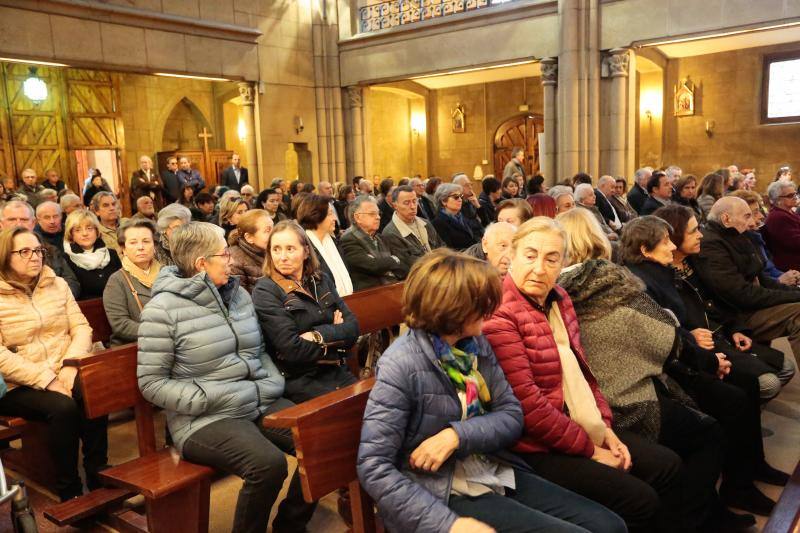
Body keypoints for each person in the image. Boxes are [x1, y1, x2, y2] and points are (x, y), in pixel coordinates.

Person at [358, 248, 626, 533]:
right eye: (482, 304)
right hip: (437, 490)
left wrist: (457, 435)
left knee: (610, 525)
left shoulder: (474, 345)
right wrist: (449, 525)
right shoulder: (402, 364)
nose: (491, 310)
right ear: (454, 308)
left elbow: (511, 415)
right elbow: (374, 466)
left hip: (490, 467)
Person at [483, 217, 687, 533]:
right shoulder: (501, 315)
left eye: (551, 259)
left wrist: (605, 429)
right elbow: (530, 409)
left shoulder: (559, 299)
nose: (539, 268)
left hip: (577, 423)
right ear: (512, 255)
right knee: (640, 499)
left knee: (667, 465)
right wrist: (592, 451)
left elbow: (583, 373)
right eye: (530, 255)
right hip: (534, 446)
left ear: (563, 262)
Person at [138, 222, 314, 533]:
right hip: (205, 418)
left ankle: (290, 525)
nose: (231, 259)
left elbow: (258, 350)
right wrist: (205, 398)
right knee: (268, 466)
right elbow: (151, 383)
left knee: (318, 441)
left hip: (256, 398)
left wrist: (269, 382)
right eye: (224, 254)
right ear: (201, 264)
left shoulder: (238, 296)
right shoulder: (162, 310)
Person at [620, 214, 788, 516]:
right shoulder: (642, 282)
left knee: (745, 385)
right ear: (645, 250)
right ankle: (734, 490)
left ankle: (750, 470)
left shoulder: (660, 272)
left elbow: (683, 320)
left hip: (691, 353)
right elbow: (663, 335)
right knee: (733, 399)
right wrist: (709, 360)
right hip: (669, 370)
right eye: (665, 241)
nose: (672, 246)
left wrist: (707, 349)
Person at [0, 227, 107, 502]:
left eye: (38, 251)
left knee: (94, 388)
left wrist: (70, 366)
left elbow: (81, 327)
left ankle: (98, 474)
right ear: (4, 257)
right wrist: (47, 379)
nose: (34, 257)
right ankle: (68, 488)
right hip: (17, 383)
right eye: (24, 251)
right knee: (63, 407)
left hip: (63, 367)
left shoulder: (56, 284)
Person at [654, 205, 796, 402]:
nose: (700, 235)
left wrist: (736, 328)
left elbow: (720, 300)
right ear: (674, 236)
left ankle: (744, 410)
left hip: (724, 332)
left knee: (785, 368)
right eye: (694, 231)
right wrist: (692, 337)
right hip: (702, 345)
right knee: (767, 382)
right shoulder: (662, 274)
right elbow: (672, 324)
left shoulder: (696, 260)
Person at [252, 220, 359, 402]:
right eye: (276, 249)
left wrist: (317, 335)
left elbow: (353, 329)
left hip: (336, 370)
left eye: (290, 249)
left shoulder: (321, 280)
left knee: (371, 409)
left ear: (306, 252)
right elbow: (292, 350)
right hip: (301, 380)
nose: (282, 257)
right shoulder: (265, 290)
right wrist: (336, 337)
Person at [695, 197, 800, 369]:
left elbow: (762, 279)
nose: (752, 222)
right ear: (726, 219)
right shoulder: (711, 244)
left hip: (751, 306)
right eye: (746, 216)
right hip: (738, 316)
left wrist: (794, 293)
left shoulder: (737, 236)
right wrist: (792, 296)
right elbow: (741, 294)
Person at [102, 219, 161, 346]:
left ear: (155, 246)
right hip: (135, 347)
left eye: (146, 241)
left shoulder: (168, 273)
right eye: (133, 242)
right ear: (123, 248)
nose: (141, 247)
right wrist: (159, 332)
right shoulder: (117, 280)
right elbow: (120, 324)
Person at [729, 189, 800, 285]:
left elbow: (769, 267)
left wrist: (789, 275)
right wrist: (779, 280)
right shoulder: (777, 217)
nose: (761, 216)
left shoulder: (754, 235)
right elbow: (751, 284)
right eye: (754, 213)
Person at [340, 196, 406, 291]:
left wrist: (385, 262)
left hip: (392, 287)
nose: (378, 217)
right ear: (357, 217)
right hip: (369, 293)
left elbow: (403, 265)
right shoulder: (348, 239)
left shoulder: (380, 237)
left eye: (378, 213)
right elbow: (372, 266)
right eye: (372, 214)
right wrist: (393, 259)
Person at [295, 194, 353, 296]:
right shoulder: (304, 247)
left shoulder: (335, 242)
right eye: (330, 214)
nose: (335, 218)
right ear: (316, 216)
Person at [382, 185, 444, 273]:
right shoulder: (390, 233)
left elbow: (441, 246)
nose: (412, 206)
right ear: (395, 205)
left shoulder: (425, 223)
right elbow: (408, 266)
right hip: (419, 277)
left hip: (438, 270)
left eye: (415, 201)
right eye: (406, 203)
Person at [63, 210, 121, 300]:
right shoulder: (67, 259)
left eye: (89, 228)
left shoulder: (112, 254)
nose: (85, 234)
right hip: (88, 309)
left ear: (97, 231)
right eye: (78, 230)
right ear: (71, 234)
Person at [228, 209, 273, 294]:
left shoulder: (272, 251)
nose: (274, 233)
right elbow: (241, 302)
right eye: (267, 230)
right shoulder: (234, 262)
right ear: (249, 238)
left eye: (274, 228)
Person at [762, 179, 800, 272]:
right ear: (778, 199)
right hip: (791, 267)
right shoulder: (777, 217)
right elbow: (796, 243)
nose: (795, 197)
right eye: (790, 196)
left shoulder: (788, 212)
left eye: (795, 194)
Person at [432, 183, 481, 251]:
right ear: (443, 201)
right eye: (456, 197)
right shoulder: (439, 222)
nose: (460, 199)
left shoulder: (462, 215)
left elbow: (478, 229)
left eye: (461, 196)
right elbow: (449, 250)